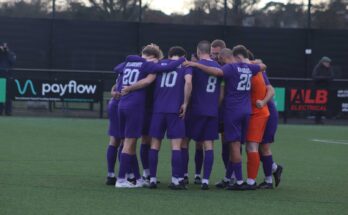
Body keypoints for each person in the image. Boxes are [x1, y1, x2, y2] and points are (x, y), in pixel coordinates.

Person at [184, 45, 266, 190]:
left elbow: (216, 72)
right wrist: (250, 63)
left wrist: (196, 64)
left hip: (232, 111)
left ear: (224, 57)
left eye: (220, 59)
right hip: (246, 111)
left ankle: (239, 181)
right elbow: (263, 66)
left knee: (233, 146)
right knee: (238, 145)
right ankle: (232, 178)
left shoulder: (230, 68)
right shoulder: (248, 68)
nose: (220, 62)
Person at [115, 44, 184, 188]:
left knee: (129, 143)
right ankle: (121, 179)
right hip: (136, 106)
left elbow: (117, 69)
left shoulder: (129, 62)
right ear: (154, 57)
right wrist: (182, 59)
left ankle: (137, 177)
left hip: (122, 104)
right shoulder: (148, 65)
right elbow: (164, 69)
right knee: (129, 143)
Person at [182, 41, 222, 190]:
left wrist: (185, 103)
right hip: (212, 110)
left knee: (184, 142)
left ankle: (184, 175)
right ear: (209, 52)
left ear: (198, 51)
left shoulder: (194, 66)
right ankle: (205, 180)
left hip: (195, 109)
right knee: (208, 145)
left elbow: (189, 84)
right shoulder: (218, 66)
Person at [258, 71, 284, 189]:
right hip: (259, 115)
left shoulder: (258, 71)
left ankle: (268, 180)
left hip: (268, 115)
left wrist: (263, 102)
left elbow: (271, 91)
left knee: (264, 146)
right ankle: (274, 168)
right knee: (255, 148)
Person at [312, 56, 333, 124]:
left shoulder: (329, 69)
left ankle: (320, 119)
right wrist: (324, 78)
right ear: (323, 62)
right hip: (318, 90)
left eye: (329, 63)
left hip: (326, 90)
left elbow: (331, 77)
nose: (328, 64)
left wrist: (325, 79)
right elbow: (314, 77)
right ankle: (317, 120)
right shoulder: (317, 68)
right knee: (318, 106)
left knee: (323, 106)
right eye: (327, 62)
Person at [0, 42, 16, 116]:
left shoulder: (11, 54)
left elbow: (12, 62)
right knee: (1, 96)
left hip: (9, 77)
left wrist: (7, 52)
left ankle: (8, 112)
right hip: (1, 77)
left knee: (8, 96)